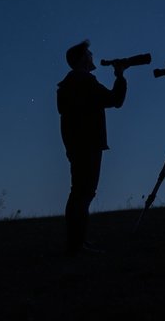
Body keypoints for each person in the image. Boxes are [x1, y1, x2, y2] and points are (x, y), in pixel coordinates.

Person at [56, 39, 128, 256]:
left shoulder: (68, 84)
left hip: (78, 145)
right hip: (87, 145)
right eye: (89, 54)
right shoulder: (84, 81)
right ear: (81, 59)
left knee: (80, 192)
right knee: (83, 193)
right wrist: (120, 76)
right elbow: (115, 100)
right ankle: (77, 246)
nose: (92, 56)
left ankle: (77, 243)